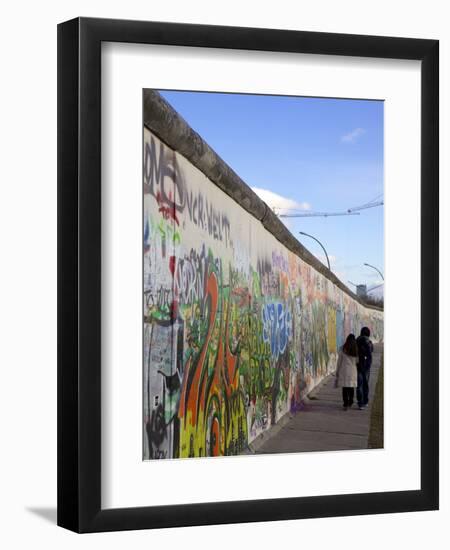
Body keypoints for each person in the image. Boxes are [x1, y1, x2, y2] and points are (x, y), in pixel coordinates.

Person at [334, 333, 358, 410]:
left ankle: (345, 403)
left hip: (344, 371)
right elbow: (358, 361)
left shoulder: (342, 349)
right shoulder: (356, 349)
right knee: (351, 388)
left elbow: (339, 362)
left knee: (345, 388)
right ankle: (350, 401)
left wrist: (337, 371)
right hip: (353, 372)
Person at [356, 326, 374, 409]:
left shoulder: (357, 340)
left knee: (359, 384)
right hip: (366, 366)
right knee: (365, 384)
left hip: (358, 365)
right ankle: (365, 401)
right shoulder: (369, 342)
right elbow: (371, 352)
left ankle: (360, 403)